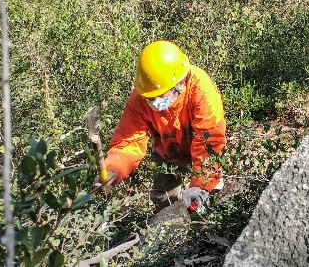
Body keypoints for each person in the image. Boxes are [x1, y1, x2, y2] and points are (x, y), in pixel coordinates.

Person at [95, 40, 226, 212]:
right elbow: (128, 142)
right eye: (150, 98)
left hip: (201, 149)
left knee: (207, 196)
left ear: (179, 83)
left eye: (159, 96)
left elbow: (209, 141)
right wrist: (112, 168)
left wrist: (201, 185)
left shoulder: (200, 89)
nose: (154, 102)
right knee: (163, 200)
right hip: (168, 153)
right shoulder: (140, 99)